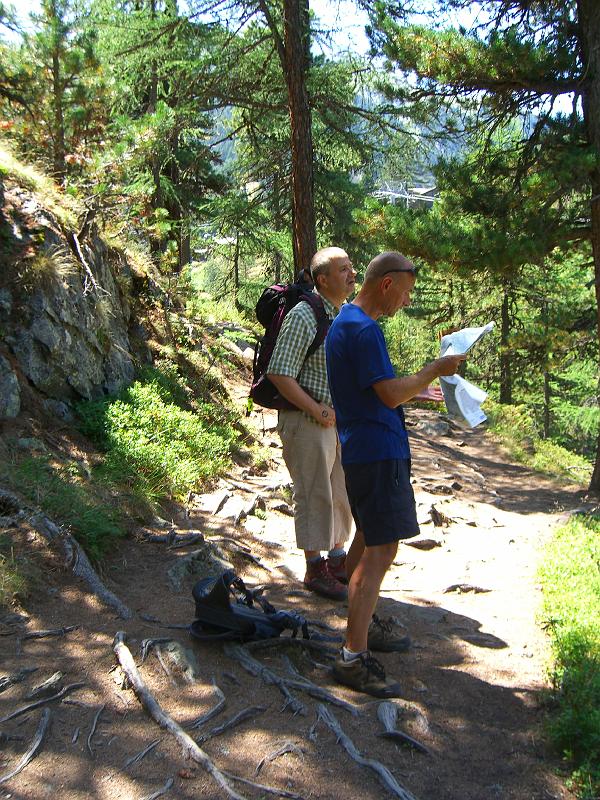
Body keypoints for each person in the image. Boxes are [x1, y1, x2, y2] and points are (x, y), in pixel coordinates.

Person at [325, 251, 467, 697]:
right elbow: (386, 396)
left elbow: (377, 390)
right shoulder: (363, 329)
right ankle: (352, 657)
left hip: (365, 449)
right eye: (406, 291)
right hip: (375, 452)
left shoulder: (347, 323)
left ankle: (362, 626)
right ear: (386, 283)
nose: (406, 301)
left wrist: (417, 391)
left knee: (367, 538)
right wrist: (433, 370)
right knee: (381, 550)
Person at [266, 247, 356, 601]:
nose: (352, 274)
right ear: (323, 279)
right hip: (305, 420)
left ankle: (337, 561)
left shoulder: (343, 314)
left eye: (351, 268)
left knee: (339, 491)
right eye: (344, 269)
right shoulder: (305, 314)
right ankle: (315, 568)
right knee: (314, 492)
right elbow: (279, 372)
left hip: (334, 420)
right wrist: (317, 410)